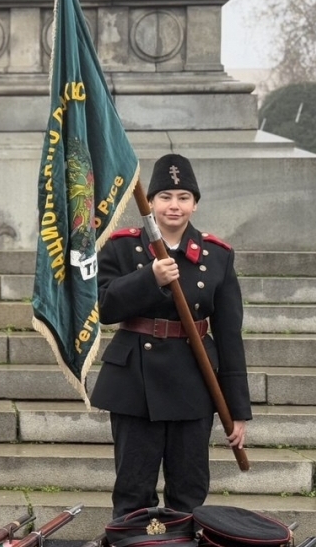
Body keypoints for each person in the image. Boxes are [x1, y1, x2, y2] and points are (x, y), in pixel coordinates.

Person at [89, 153, 251, 519]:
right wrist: (149, 278)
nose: (174, 205)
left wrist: (237, 410)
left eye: (183, 197)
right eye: (164, 196)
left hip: (195, 381)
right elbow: (101, 307)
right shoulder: (120, 246)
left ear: (195, 204)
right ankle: (133, 542)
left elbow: (229, 336)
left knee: (189, 492)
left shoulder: (217, 255)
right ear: (149, 202)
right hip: (134, 381)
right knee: (133, 490)